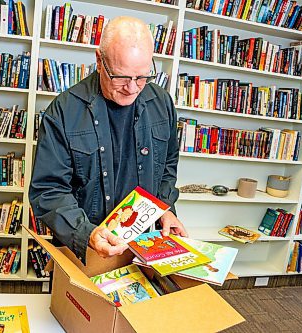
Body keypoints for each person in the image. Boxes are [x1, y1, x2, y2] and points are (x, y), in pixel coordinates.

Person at [29, 16, 187, 263]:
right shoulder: (63, 111)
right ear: (99, 61)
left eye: (142, 77)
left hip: (144, 244)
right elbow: (48, 190)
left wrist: (165, 208)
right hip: (87, 248)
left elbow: (167, 165)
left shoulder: (162, 102)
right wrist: (86, 233)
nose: (133, 88)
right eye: (121, 77)